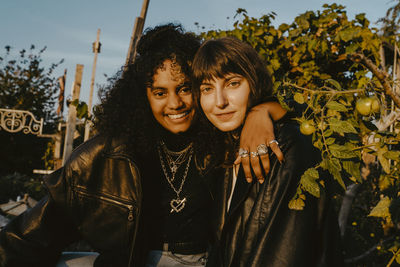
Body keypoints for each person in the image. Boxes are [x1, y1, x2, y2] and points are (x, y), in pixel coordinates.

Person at [0, 25, 285, 267]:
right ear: (141, 96)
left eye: (185, 88)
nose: (175, 103)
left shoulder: (224, 137)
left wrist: (262, 112)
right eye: (160, 93)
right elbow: (30, 235)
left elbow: (299, 112)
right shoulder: (104, 155)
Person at [192, 37, 343, 267]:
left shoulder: (284, 144)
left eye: (233, 83)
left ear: (254, 82)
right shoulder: (225, 149)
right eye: (207, 88)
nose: (219, 101)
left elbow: (282, 254)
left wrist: (264, 109)